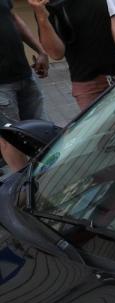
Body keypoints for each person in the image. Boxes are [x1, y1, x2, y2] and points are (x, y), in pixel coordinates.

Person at [29, 0, 115, 111]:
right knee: (98, 127)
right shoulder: (47, 3)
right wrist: (42, 17)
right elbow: (56, 53)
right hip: (89, 85)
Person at [0, 0, 49, 174]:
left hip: (24, 74)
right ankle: (24, 187)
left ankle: (49, 177)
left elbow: (13, 18)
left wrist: (40, 50)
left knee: (41, 129)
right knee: (10, 138)